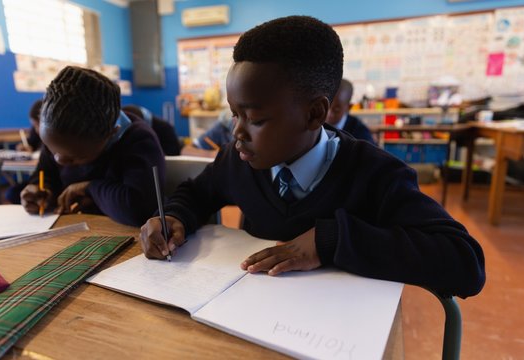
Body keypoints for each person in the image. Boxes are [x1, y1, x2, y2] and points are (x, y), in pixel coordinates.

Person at [139, 16, 485, 298]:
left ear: (315, 114)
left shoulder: (375, 174)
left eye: (256, 119)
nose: (237, 132)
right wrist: (174, 217)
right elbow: (198, 193)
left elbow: (465, 263)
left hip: (338, 331)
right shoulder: (236, 160)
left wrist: (331, 241)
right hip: (255, 312)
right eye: (234, 115)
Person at [20, 66, 165, 226]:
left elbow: (139, 210)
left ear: (111, 133)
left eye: (76, 158)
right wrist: (40, 190)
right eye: (51, 149)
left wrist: (89, 188)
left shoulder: (138, 140)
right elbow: (46, 174)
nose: (59, 160)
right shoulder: (59, 134)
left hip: (120, 236)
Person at [325, 79, 375, 144]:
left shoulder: (361, 134)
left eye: (336, 110)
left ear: (349, 107)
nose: (329, 113)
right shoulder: (317, 124)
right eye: (327, 107)